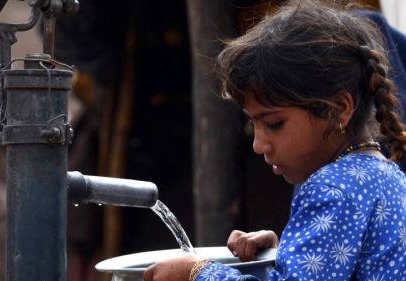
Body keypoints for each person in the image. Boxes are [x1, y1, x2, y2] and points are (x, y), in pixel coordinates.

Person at [143, 0, 406, 280]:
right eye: (253, 123)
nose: (259, 145)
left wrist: (198, 271)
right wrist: (284, 254)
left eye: (274, 124)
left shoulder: (332, 189)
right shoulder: (389, 175)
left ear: (339, 108)